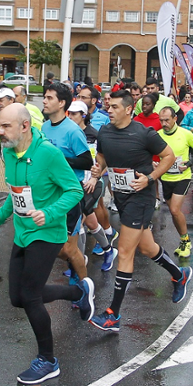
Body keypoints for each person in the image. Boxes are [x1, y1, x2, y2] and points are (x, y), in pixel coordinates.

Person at [0, 103, 90, 384]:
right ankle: (77, 292)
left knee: (31, 297)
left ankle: (48, 360)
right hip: (23, 233)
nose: (0, 131)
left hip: (47, 233)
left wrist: (50, 212)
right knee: (17, 298)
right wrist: (0, 216)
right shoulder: (10, 153)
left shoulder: (48, 154)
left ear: (24, 126)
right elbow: (16, 193)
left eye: (5, 126)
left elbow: (74, 190)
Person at [88, 90, 192, 332]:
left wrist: (150, 178)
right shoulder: (105, 132)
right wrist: (98, 169)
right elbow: (102, 156)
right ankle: (180, 275)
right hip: (121, 197)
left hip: (141, 198)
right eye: (108, 106)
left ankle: (113, 314)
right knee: (147, 247)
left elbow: (169, 156)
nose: (109, 110)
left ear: (128, 109)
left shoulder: (144, 134)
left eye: (114, 107)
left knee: (125, 251)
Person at [39, 83, 96, 293]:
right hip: (49, 194)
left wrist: (59, 160)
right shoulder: (44, 127)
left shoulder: (73, 130)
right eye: (45, 97)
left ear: (62, 103)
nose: (44, 101)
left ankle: (85, 287)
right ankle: (76, 262)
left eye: (49, 98)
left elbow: (87, 162)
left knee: (68, 249)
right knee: (52, 245)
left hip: (69, 194)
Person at [68, 100, 116, 268]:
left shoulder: (95, 135)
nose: (70, 117)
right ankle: (109, 250)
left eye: (74, 114)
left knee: (78, 222)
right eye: (69, 113)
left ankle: (78, 263)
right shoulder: (69, 133)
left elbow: (105, 160)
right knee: (91, 222)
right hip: (75, 185)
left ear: (83, 115)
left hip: (92, 185)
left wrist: (95, 178)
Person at [157, 106, 193, 258]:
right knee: (173, 212)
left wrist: (189, 164)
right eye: (161, 120)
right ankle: (183, 238)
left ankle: (185, 241)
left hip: (183, 177)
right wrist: (155, 164)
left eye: (167, 120)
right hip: (166, 178)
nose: (164, 123)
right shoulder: (157, 135)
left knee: (175, 210)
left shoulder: (185, 134)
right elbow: (151, 154)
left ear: (175, 118)